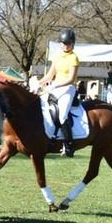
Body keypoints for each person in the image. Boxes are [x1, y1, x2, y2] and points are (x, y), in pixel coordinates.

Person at [40, 28, 80, 157]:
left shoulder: (74, 58)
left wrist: (55, 85)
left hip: (68, 88)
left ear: (72, 43)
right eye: (63, 43)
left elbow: (71, 79)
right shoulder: (57, 56)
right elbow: (50, 75)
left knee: (62, 115)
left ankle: (69, 145)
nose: (65, 45)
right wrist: (39, 83)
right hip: (55, 87)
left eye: (68, 43)